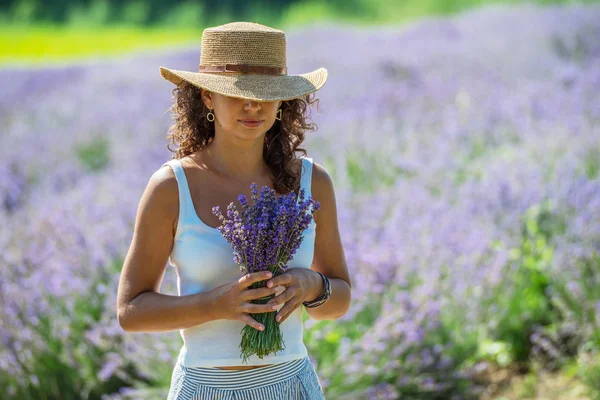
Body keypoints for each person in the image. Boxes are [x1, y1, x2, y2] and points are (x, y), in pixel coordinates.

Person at [116, 21, 352, 399]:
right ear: (206, 97)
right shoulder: (171, 187)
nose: (253, 105)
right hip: (205, 388)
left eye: (266, 94)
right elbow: (131, 311)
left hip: (291, 385)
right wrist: (216, 304)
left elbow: (338, 300)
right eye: (237, 93)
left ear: (282, 101)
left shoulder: (312, 181)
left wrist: (311, 286)